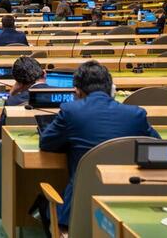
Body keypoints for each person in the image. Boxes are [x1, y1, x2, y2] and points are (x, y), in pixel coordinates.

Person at [39, 60, 160, 232]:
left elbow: (46, 143)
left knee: (43, 204)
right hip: (131, 209)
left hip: (79, 211)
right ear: (111, 89)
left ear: (77, 91)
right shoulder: (136, 115)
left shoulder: (71, 111)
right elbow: (158, 148)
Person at [0, 55, 47, 180]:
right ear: (44, 74)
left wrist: (11, 93)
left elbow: (1, 133)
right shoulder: (63, 96)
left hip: (15, 159)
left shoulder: (13, 101)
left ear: (18, 82)